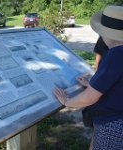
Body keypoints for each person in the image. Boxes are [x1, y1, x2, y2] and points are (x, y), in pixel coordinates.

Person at [53, 5, 123, 150]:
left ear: (106, 34)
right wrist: (91, 83)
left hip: (113, 123)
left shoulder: (115, 54)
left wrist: (67, 101)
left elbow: (90, 97)